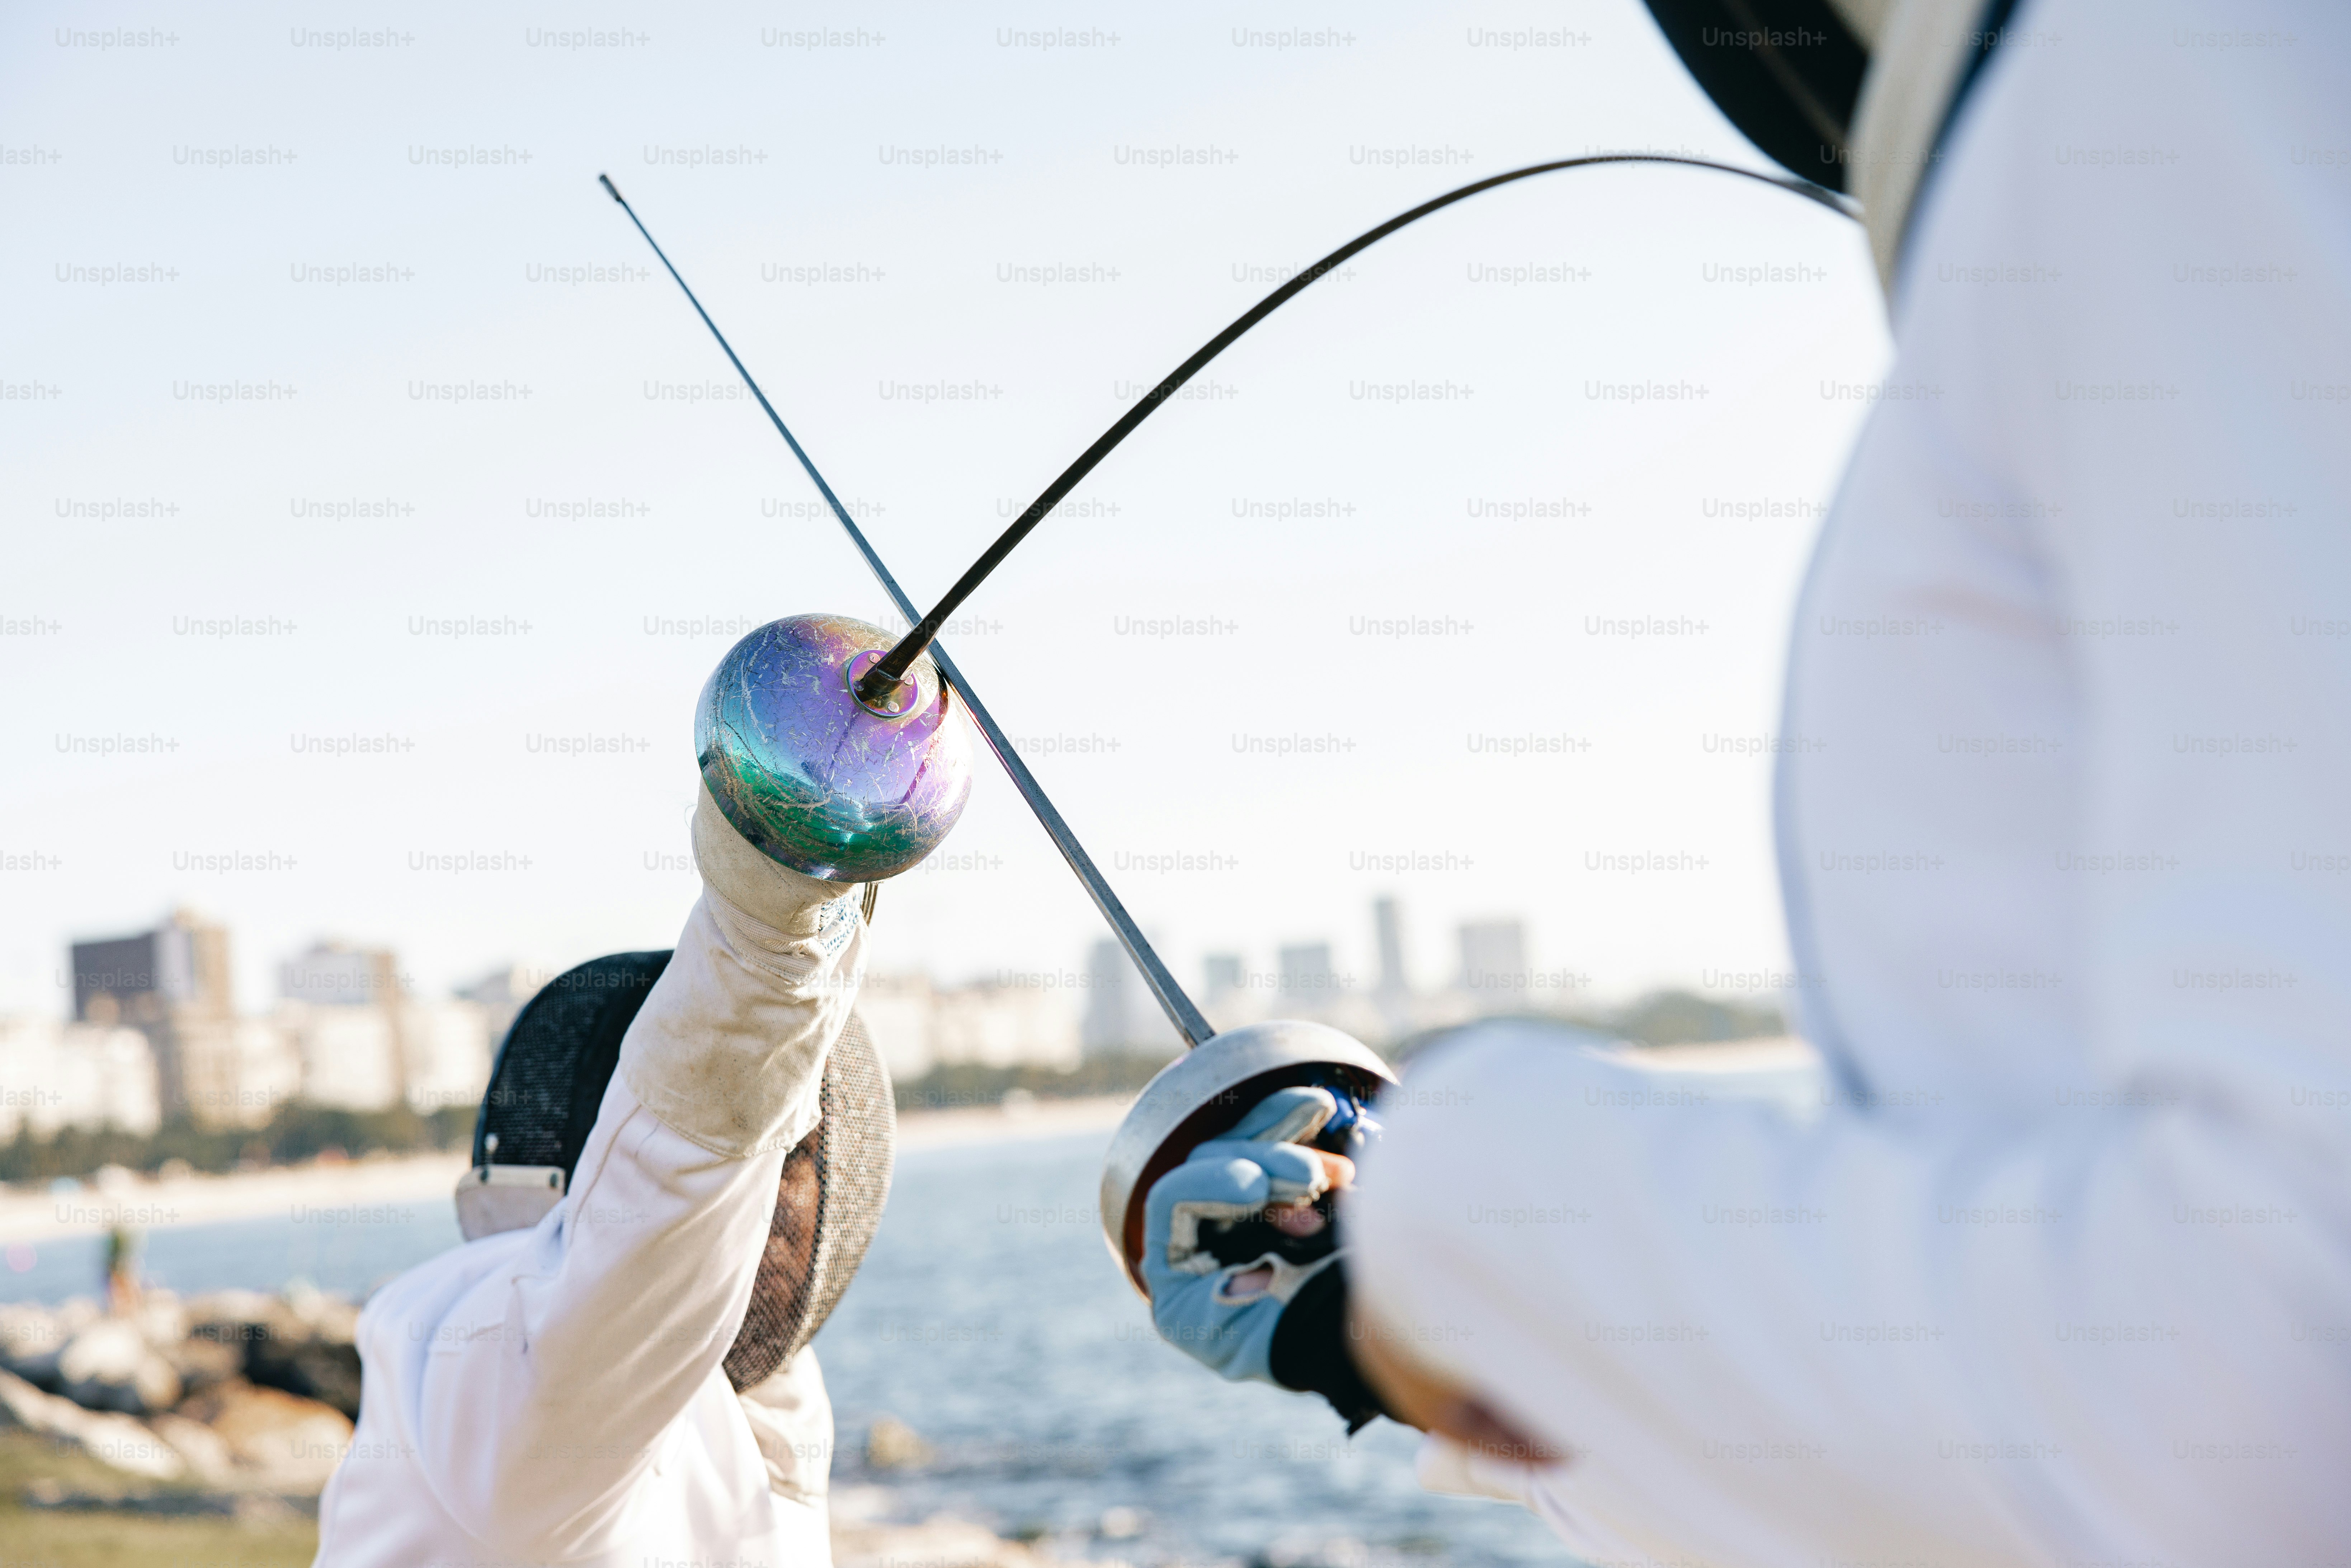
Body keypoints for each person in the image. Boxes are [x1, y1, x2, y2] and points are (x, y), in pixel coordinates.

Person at [1145, 0, 2351, 1562]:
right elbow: (2026, 1439)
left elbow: (2273, 1354)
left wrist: (1482, 1216)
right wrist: (1379, 1332)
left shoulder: (2165, 71)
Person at [311, 782, 880, 1566]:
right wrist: (774, 906)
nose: (773, 1199)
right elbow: (676, 1171)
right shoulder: (491, 1362)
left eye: (799, 1159)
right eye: (765, 1158)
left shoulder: (765, 1393)